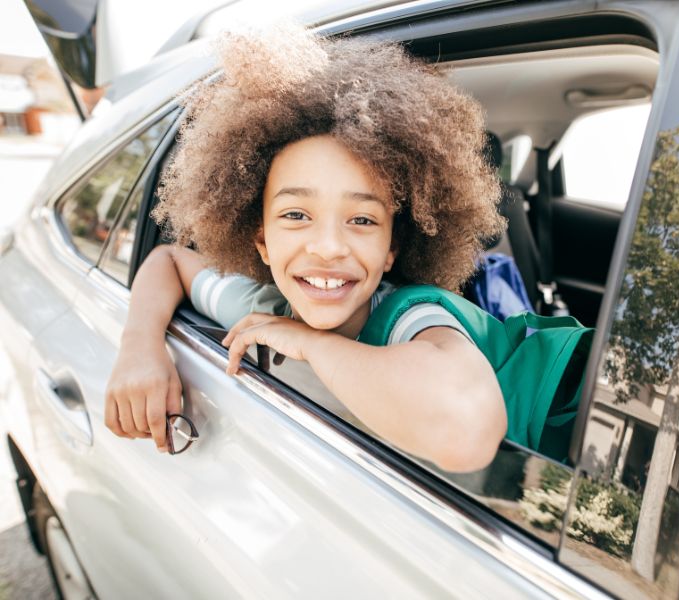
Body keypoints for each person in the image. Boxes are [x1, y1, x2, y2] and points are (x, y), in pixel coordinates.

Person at [105, 25, 508, 473]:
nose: (329, 247)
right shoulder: (261, 305)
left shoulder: (411, 318)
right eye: (296, 215)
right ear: (260, 240)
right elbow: (169, 260)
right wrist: (139, 345)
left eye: (362, 220)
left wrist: (308, 342)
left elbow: (465, 433)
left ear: (391, 249)